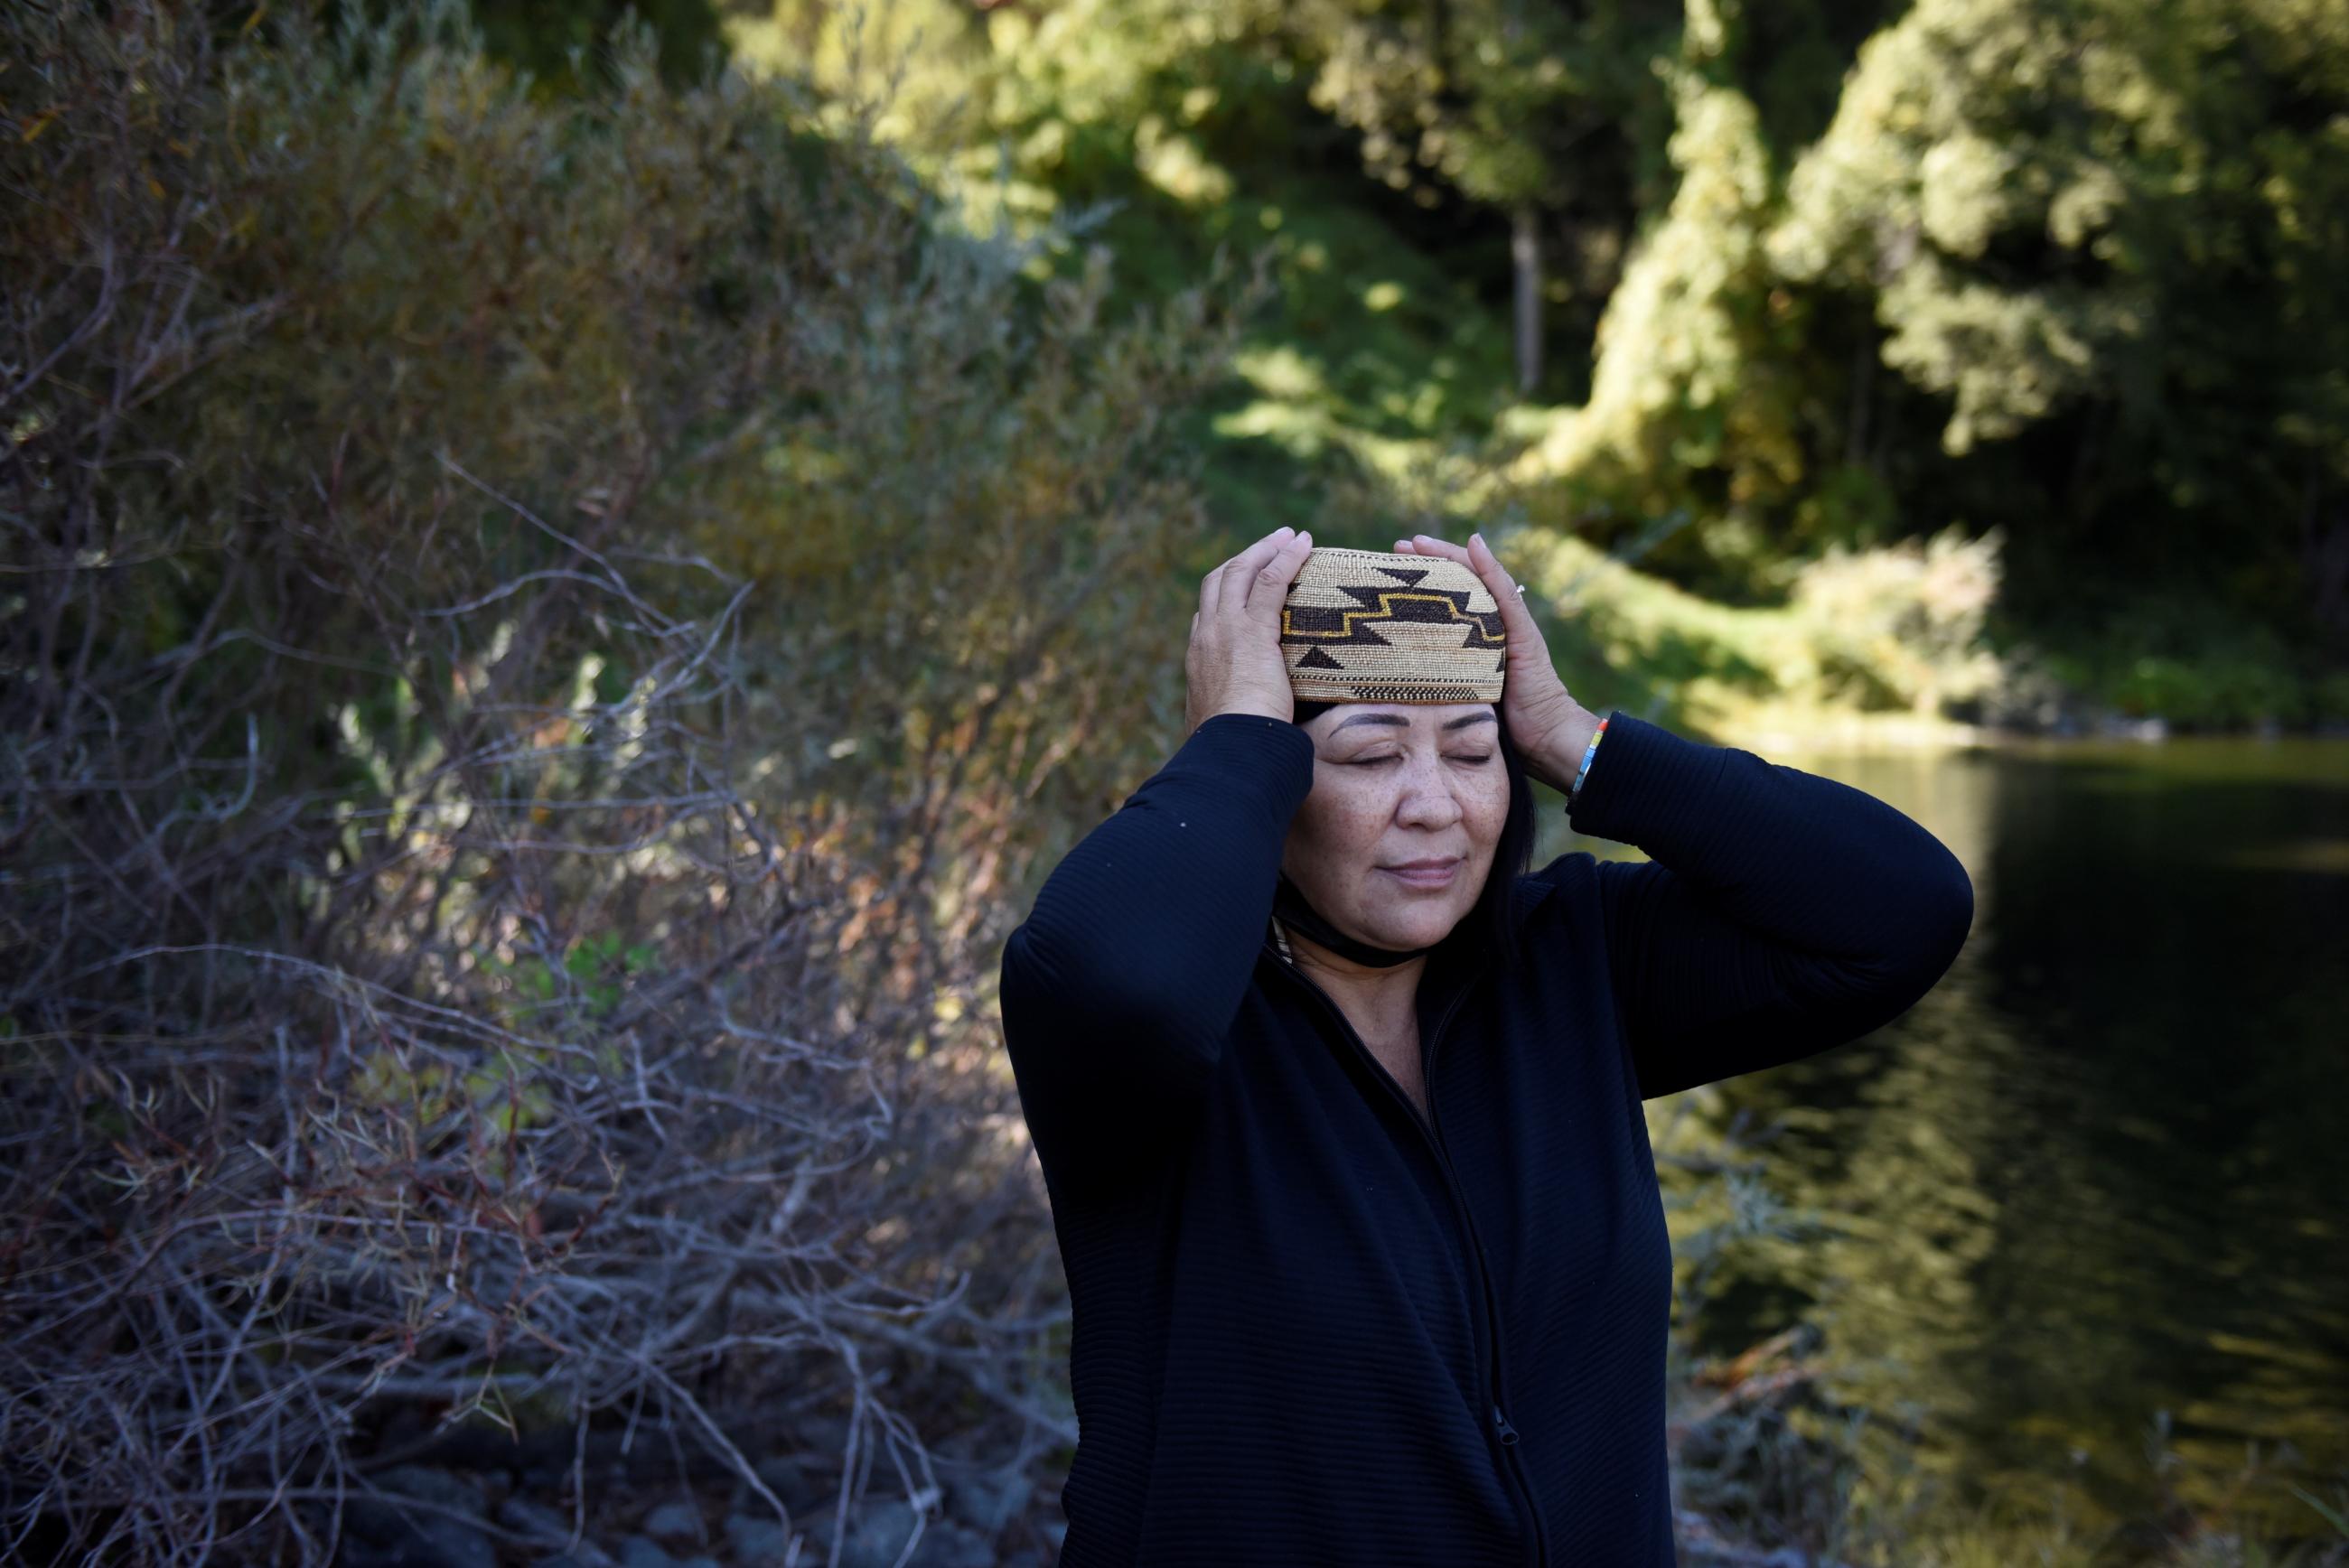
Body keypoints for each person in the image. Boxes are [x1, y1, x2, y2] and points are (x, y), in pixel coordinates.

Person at [997, 525, 1975, 1566]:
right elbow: (1115, 978)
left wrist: (1571, 738)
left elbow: (1903, 911)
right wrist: (1233, 735)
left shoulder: (1569, 965)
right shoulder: (1164, 1040)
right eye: (1370, 755)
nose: (1438, 806)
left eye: (1472, 751)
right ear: (1274, 786)